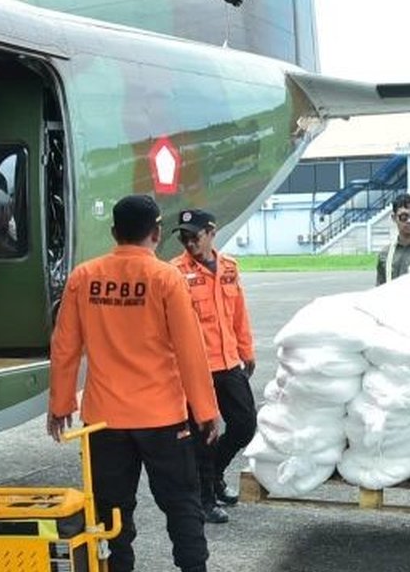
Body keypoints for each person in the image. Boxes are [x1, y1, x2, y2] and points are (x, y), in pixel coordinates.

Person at [48, 195, 219, 572]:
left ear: (114, 233)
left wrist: (60, 405)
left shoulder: (84, 277)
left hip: (103, 421)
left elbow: (64, 348)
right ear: (156, 233)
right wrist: (206, 411)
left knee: (110, 513)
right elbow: (190, 350)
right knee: (182, 503)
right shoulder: (166, 278)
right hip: (162, 418)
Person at [171, 209, 257, 524]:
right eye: (183, 237)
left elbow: (238, 314)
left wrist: (246, 350)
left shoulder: (229, 267)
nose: (189, 242)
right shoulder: (175, 272)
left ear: (211, 232)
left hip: (229, 361)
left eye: (194, 236)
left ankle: (216, 475)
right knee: (203, 438)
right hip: (197, 369)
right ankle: (204, 500)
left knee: (245, 425)